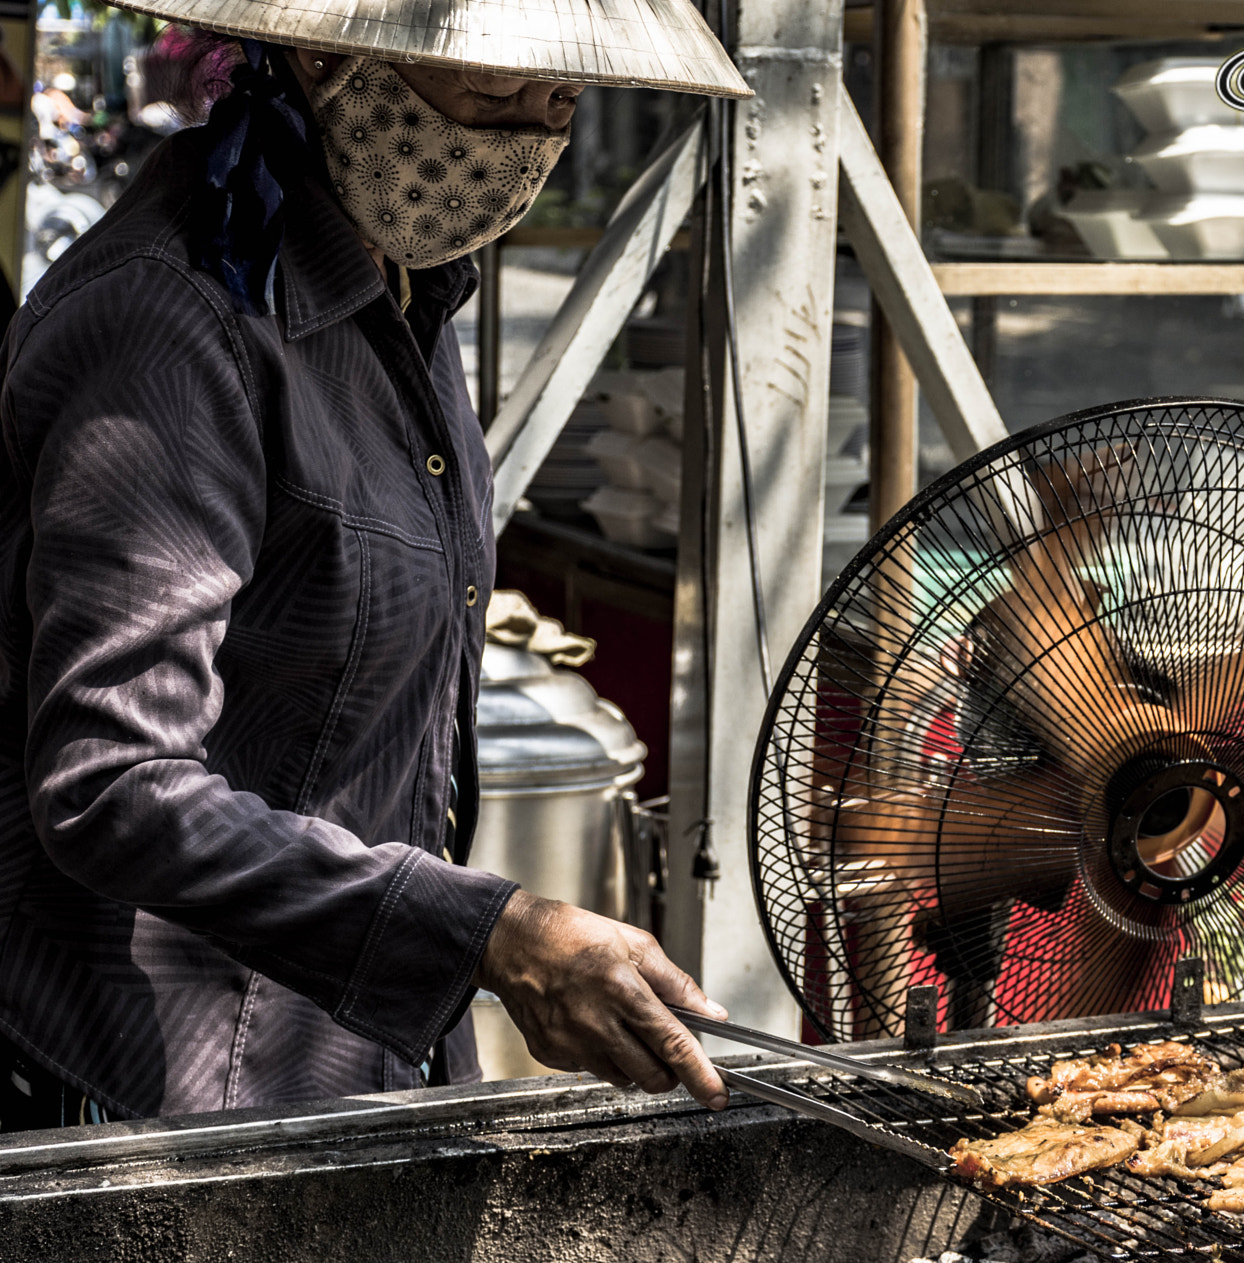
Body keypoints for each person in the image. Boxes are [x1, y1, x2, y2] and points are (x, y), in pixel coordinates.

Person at [0, 0, 752, 1131]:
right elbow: (114, 784)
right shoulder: (168, 321)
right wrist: (482, 934)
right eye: (494, 92)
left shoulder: (404, 284)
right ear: (325, 53)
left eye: (562, 98)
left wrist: (453, 948)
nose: (527, 138)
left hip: (356, 1063)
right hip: (172, 1091)